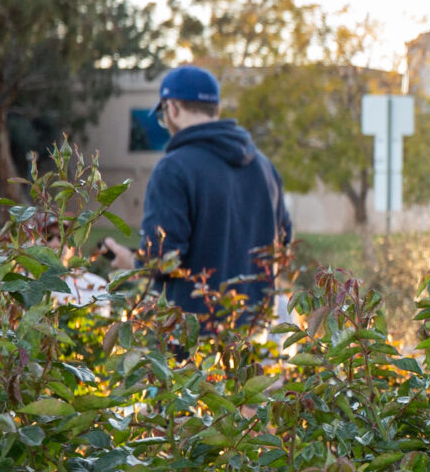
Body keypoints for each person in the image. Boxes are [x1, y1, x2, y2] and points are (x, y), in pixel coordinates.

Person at [104, 65, 292, 318]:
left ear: (173, 108)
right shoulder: (264, 167)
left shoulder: (173, 169)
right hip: (256, 333)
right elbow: (282, 244)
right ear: (216, 110)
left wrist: (131, 263)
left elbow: (162, 260)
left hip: (193, 337)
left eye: (162, 115)